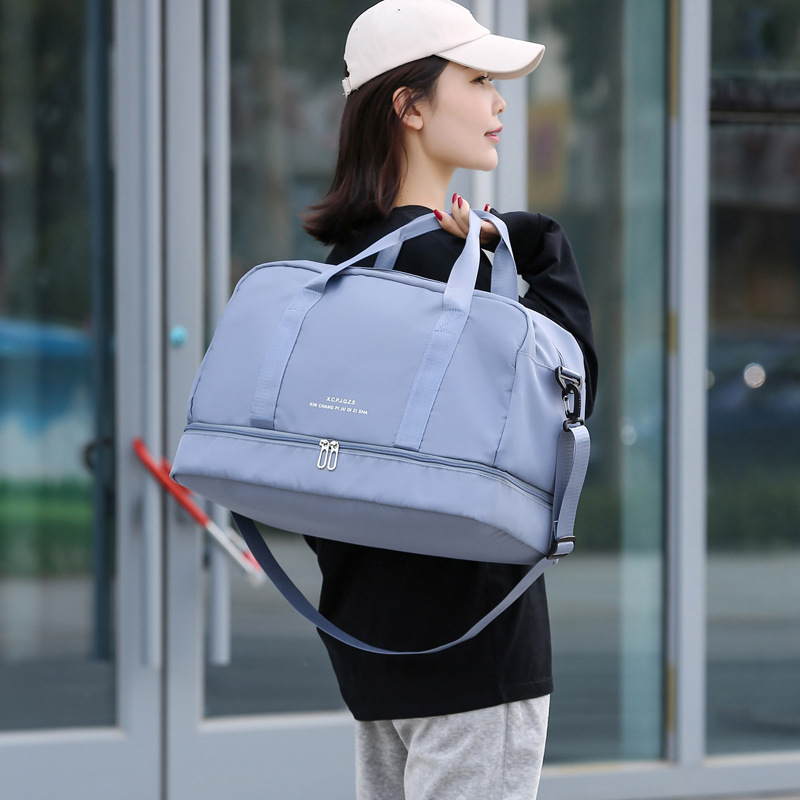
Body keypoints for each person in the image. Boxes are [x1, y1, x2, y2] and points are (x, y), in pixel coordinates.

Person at [302, 2, 598, 798]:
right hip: (474, 651)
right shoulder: (456, 271)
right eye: (477, 81)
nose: (499, 102)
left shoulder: (345, 265)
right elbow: (568, 401)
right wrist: (537, 243)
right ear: (410, 106)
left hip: (372, 648)